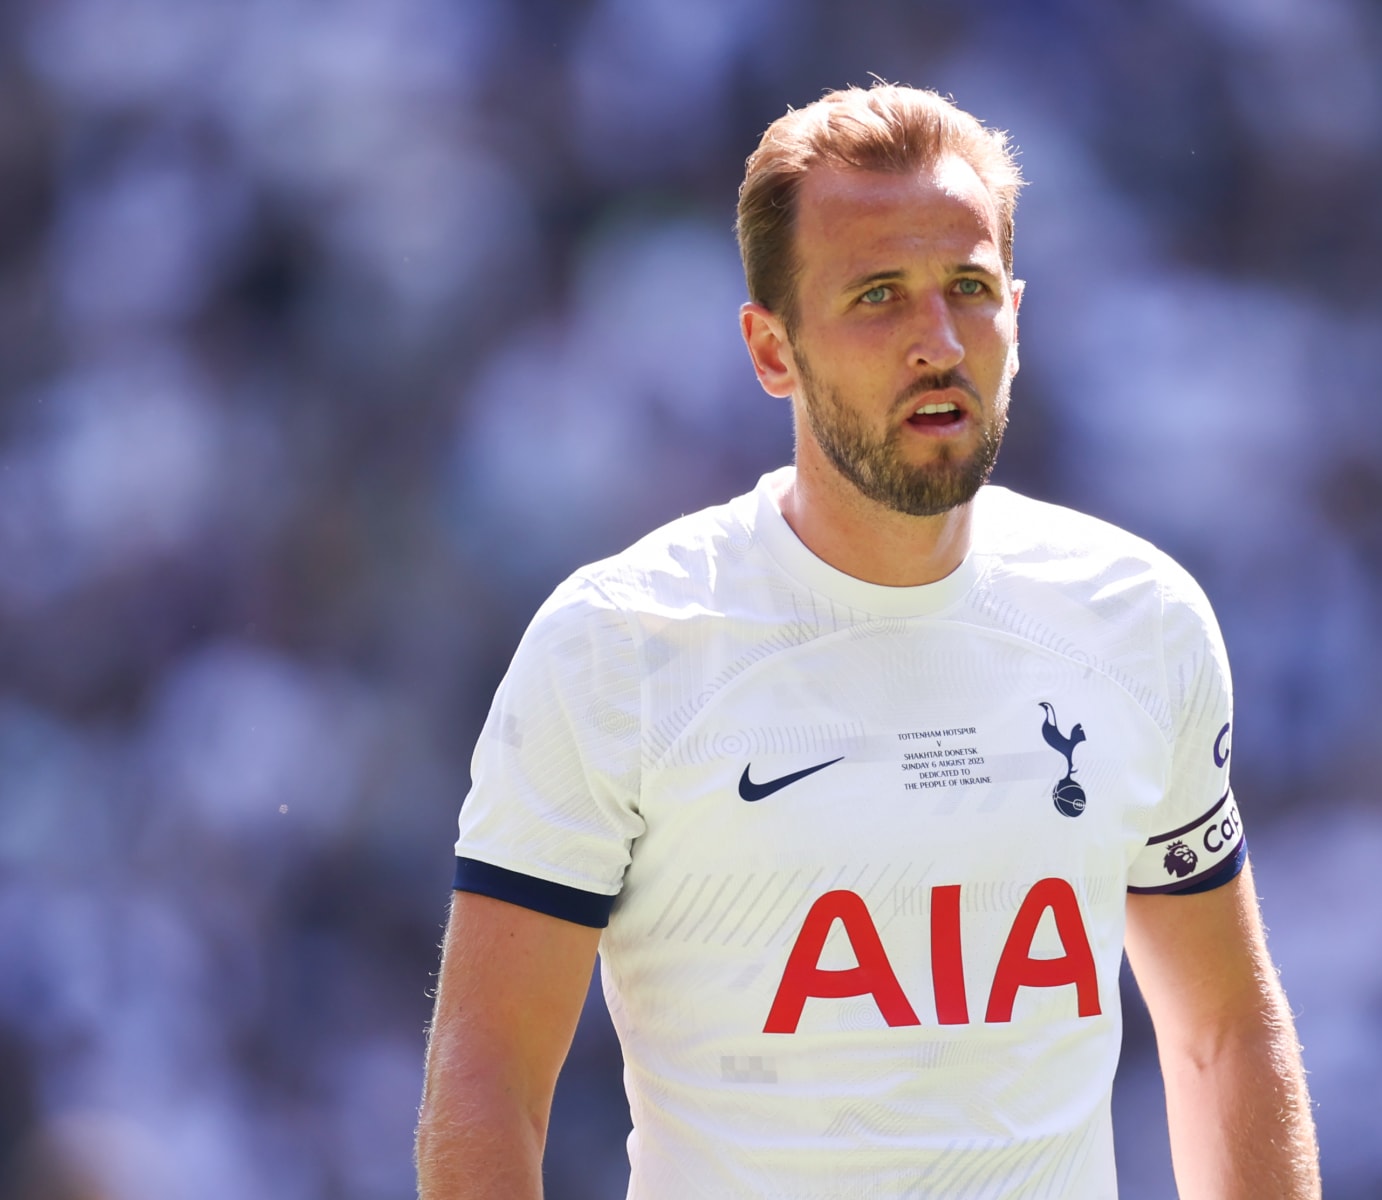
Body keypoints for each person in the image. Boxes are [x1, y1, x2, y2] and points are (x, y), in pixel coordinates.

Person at [416, 83, 1320, 1199]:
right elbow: (487, 1072)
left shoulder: (1139, 619)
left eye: (969, 291)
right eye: (879, 297)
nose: (937, 342)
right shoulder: (620, 647)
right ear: (771, 349)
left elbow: (1224, 1033)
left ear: (1017, 318)